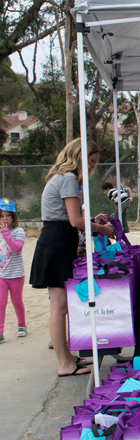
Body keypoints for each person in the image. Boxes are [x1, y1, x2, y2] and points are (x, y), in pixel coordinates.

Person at [29, 138, 115, 377]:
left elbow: (75, 217)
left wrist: (93, 220)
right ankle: (64, 363)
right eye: (91, 160)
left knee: (62, 306)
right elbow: (75, 221)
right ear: (79, 155)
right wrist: (102, 229)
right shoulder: (68, 179)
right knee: (58, 306)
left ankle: (67, 357)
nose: (92, 166)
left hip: (58, 240)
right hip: (57, 241)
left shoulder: (62, 178)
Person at [0, 198, 26, 342]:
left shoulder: (18, 231)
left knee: (16, 301)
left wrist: (5, 232)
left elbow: (16, 248)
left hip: (16, 274)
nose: (5, 219)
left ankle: (21, 324)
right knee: (1, 302)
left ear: (13, 217)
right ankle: (0, 332)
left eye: (8, 216)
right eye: (2, 215)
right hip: (1, 275)